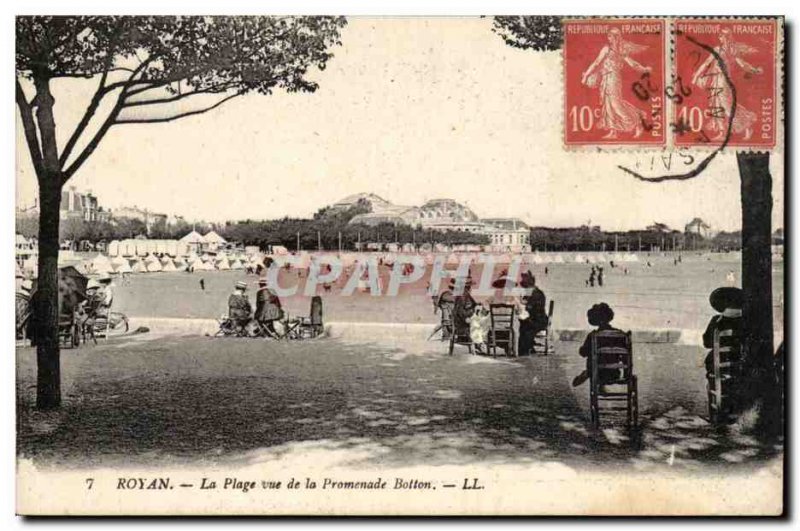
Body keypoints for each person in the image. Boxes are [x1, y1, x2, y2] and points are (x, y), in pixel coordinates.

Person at [572, 303, 626, 387]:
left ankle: (587, 373)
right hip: (614, 373)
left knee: (592, 354)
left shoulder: (593, 335)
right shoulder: (620, 334)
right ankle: (594, 378)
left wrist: (582, 349)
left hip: (596, 374)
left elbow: (583, 353)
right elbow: (625, 357)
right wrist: (626, 374)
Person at [702, 286, 743, 381]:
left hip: (718, 369)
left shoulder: (716, 321)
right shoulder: (747, 321)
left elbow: (707, 344)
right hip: (741, 368)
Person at [518, 273, 549, 356]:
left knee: (525, 327)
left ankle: (525, 349)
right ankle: (527, 347)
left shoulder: (537, 294)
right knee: (523, 325)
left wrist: (525, 305)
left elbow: (533, 309)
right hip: (536, 319)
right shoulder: (532, 293)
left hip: (539, 320)